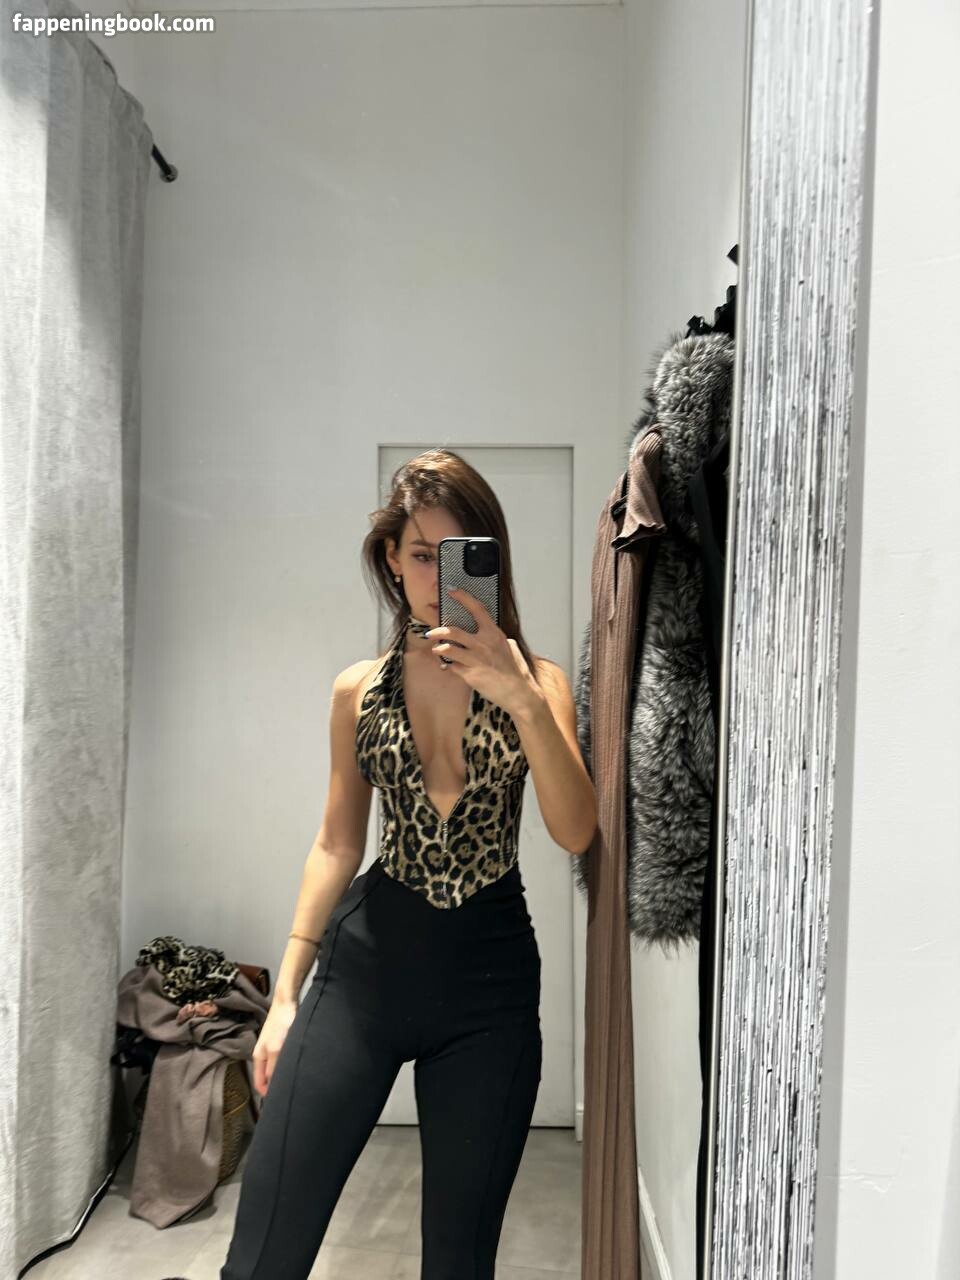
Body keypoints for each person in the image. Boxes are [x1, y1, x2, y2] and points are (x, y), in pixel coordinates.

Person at [217, 449, 597, 1279]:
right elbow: (336, 843)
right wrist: (284, 997)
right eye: (421, 554)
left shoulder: (541, 684)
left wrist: (521, 699)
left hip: (490, 985)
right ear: (391, 558)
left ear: (488, 561)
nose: (435, 576)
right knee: (265, 1249)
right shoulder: (357, 689)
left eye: (457, 554)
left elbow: (575, 831)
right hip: (364, 974)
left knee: (458, 1261)